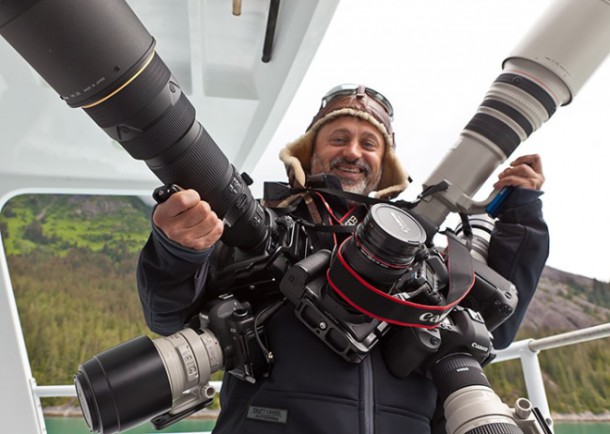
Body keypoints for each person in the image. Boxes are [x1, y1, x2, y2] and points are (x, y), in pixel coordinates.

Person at [137, 84, 549, 434]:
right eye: (338, 138)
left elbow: (496, 329)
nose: (353, 152)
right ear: (308, 152)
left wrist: (522, 216)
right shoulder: (258, 232)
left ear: (385, 164)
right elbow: (167, 317)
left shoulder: (421, 249)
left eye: (369, 144)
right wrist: (178, 249)